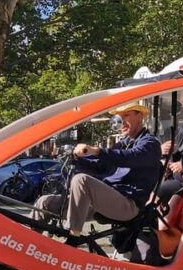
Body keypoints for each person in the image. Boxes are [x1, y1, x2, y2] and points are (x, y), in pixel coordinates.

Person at [30, 103, 162, 241]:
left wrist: (95, 150)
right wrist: (75, 159)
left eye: (126, 116)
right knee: (45, 202)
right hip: (104, 200)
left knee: (81, 180)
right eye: (118, 117)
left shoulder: (150, 144)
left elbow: (128, 158)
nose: (120, 122)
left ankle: (73, 236)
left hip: (128, 205)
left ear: (139, 116)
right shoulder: (123, 143)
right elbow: (99, 167)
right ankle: (30, 245)